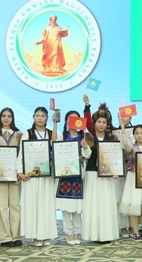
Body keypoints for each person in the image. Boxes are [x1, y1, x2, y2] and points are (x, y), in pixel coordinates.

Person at [17, 107, 59, 246]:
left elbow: (56, 148)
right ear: (33, 117)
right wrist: (19, 172)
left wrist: (55, 123)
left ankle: (46, 234)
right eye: (37, 115)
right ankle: (36, 235)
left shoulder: (51, 133)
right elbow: (21, 155)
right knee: (33, 205)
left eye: (43, 116)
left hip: (47, 176)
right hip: (31, 177)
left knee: (46, 205)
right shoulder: (27, 134)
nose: (40, 118)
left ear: (47, 118)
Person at [82, 105, 122, 244]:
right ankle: (95, 235)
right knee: (94, 204)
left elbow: (116, 158)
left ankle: (107, 234)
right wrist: (86, 147)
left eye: (104, 122)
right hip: (93, 174)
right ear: (94, 123)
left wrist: (116, 171)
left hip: (107, 176)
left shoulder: (111, 138)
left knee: (107, 204)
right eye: (99, 122)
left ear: (107, 124)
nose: (101, 124)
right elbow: (86, 156)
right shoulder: (88, 137)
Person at [0, 108, 24, 247]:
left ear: (13, 118)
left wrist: (20, 172)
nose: (6, 118)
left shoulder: (18, 134)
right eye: (3, 116)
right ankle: (4, 237)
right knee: (1, 205)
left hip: (14, 174)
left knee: (15, 205)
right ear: (0, 118)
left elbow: (23, 153)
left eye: (9, 116)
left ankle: (16, 235)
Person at [119, 124, 142, 240]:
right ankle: (135, 232)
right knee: (134, 204)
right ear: (134, 135)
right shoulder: (131, 147)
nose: (139, 135)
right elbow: (124, 141)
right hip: (133, 178)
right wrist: (123, 127)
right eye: (137, 133)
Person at [57, 110, 84, 245]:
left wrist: (83, 156)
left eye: (75, 119)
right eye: (70, 119)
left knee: (78, 205)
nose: (72, 121)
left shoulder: (83, 136)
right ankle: (68, 232)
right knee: (66, 205)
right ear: (66, 121)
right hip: (65, 175)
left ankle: (77, 231)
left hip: (79, 175)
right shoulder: (62, 136)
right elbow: (54, 147)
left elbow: (88, 153)